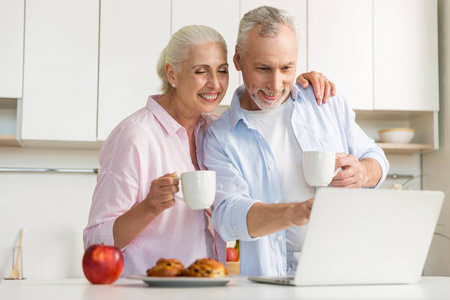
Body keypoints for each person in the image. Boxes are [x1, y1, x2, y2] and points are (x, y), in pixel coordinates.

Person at [83, 24, 336, 277]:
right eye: (201, 71)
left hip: (206, 285)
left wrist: (300, 86)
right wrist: (149, 206)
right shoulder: (134, 136)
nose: (214, 84)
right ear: (172, 74)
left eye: (222, 71)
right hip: (149, 289)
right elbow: (95, 243)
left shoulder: (215, 129)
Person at [202, 6, 390, 277]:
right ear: (238, 59)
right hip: (269, 274)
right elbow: (227, 217)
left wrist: (363, 172)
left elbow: (376, 157)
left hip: (342, 264)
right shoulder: (220, 137)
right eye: (263, 68)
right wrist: (296, 212)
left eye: (286, 67)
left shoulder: (323, 101)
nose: (276, 84)